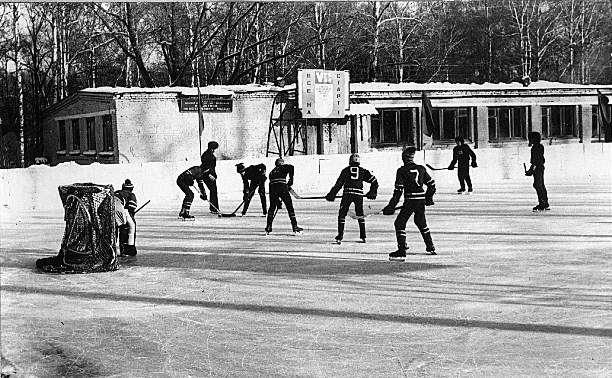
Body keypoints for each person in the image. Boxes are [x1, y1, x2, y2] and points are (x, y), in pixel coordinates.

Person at [383, 146, 437, 260]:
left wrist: (390, 207)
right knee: (421, 222)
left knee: (399, 223)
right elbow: (431, 185)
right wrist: (428, 198)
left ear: (403, 158)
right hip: (420, 201)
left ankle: (401, 249)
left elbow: (398, 191)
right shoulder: (421, 169)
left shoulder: (402, 171)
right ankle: (430, 246)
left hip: (410, 201)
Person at [325, 153, 378, 244]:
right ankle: (363, 235)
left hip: (347, 194)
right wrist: (372, 192)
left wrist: (332, 194)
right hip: (358, 195)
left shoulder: (345, 170)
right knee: (360, 214)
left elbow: (339, 184)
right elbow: (374, 181)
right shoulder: (362, 171)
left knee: (342, 214)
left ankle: (340, 235)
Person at [265, 158, 302, 235]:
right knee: (289, 206)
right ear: (281, 163)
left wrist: (278, 202)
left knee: (272, 207)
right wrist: (291, 179)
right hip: (282, 188)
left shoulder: (271, 172)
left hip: (273, 189)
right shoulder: (283, 167)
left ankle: (268, 226)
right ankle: (294, 226)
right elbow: (291, 167)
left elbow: (272, 184)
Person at [525, 131, 550, 212]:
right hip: (540, 167)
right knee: (540, 185)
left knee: (538, 185)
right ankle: (545, 202)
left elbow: (536, 161)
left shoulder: (535, 148)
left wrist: (531, 170)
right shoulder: (540, 146)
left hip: (537, 168)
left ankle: (542, 203)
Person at [114, 179, 138, 256]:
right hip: (118, 206)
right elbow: (131, 207)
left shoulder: (117, 192)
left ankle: (112, 249)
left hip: (108, 206)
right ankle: (128, 249)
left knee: (114, 228)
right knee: (129, 226)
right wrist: (132, 214)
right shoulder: (131, 195)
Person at [201, 141, 219, 214]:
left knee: (213, 190)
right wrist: (209, 174)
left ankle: (214, 207)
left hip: (211, 175)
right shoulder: (206, 155)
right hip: (208, 175)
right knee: (213, 190)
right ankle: (214, 208)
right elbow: (204, 166)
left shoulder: (209, 154)